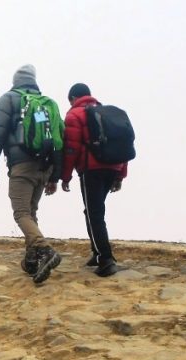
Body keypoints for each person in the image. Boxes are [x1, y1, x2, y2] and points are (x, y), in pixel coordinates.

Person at [0, 64, 64, 284]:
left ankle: (44, 249)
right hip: (44, 166)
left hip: (22, 165)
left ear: (15, 81)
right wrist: (54, 176)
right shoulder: (49, 104)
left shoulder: (9, 99)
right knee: (31, 211)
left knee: (21, 213)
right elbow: (60, 140)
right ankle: (32, 260)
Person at [61, 83, 128, 277]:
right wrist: (120, 174)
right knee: (91, 211)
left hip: (91, 169)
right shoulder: (106, 113)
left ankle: (106, 259)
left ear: (72, 98)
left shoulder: (74, 115)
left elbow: (71, 148)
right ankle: (96, 252)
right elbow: (122, 145)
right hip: (112, 167)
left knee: (94, 213)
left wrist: (65, 176)